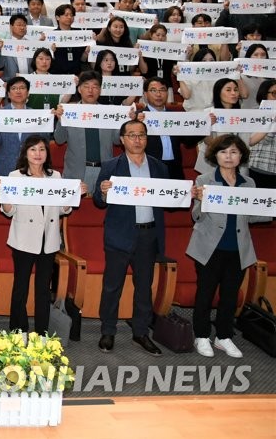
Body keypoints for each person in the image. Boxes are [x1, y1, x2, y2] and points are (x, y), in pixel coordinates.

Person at [0, 135, 85, 334]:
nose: (37, 154)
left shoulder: (56, 177)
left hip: (48, 239)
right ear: (26, 153)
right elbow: (9, 210)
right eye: (33, 149)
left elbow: (61, 210)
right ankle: (19, 331)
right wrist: (3, 194)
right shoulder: (15, 177)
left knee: (43, 290)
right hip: (24, 239)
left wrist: (74, 195)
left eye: (42, 149)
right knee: (21, 288)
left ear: (47, 154)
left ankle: (42, 333)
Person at [93, 119, 169, 356]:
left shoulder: (158, 167)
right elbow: (97, 201)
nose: (137, 140)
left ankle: (141, 332)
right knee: (112, 286)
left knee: (144, 287)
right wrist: (103, 193)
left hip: (148, 234)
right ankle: (108, 331)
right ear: (122, 139)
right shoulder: (110, 166)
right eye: (132, 135)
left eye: (142, 135)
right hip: (119, 234)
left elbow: (170, 198)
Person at [188, 135, 268, 358]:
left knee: (230, 295)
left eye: (234, 152)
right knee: (205, 293)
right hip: (209, 247)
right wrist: (201, 200)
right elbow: (196, 216)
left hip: (238, 248)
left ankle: (224, 336)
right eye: (224, 152)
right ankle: (201, 335)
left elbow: (252, 218)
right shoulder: (204, 180)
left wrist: (269, 208)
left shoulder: (248, 183)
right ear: (216, 155)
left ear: (241, 155)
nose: (229, 156)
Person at [52, 71, 121, 191]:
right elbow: (59, 139)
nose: (90, 90)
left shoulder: (108, 113)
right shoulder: (70, 112)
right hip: (76, 171)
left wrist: (125, 122)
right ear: (79, 90)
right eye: (86, 86)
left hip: (103, 171)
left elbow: (117, 140)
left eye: (95, 87)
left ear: (100, 90)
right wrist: (61, 119)